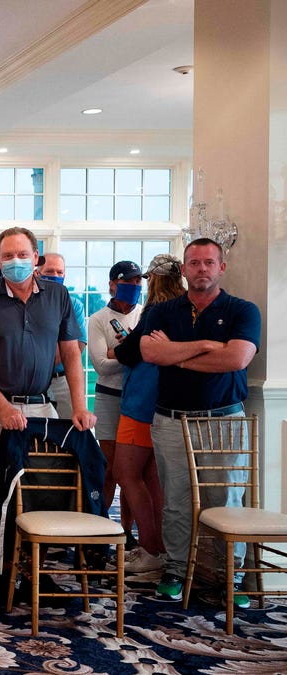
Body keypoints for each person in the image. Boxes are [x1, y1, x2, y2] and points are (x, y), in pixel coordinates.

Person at [137, 239, 260, 604]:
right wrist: (209, 346)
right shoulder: (162, 311)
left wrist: (174, 356)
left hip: (224, 419)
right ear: (185, 269)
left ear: (222, 267)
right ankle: (176, 569)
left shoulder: (243, 310)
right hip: (171, 420)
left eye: (209, 263)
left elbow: (237, 359)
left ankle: (229, 578)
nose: (201, 269)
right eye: (194, 263)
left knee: (226, 497)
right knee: (175, 499)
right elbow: (148, 351)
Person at [0, 228, 95, 504]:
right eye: (7, 255)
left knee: (42, 485)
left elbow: (71, 355)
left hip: (41, 406)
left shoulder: (58, 296)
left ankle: (33, 548)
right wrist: (3, 407)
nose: (15, 261)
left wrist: (80, 406)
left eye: (22, 254)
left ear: (36, 258)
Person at [112, 254, 182, 575]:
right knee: (154, 480)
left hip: (141, 402)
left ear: (152, 279)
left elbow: (129, 352)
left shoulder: (155, 312)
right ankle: (161, 548)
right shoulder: (185, 311)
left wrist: (121, 347)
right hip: (166, 403)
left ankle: (151, 548)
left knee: (126, 474)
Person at [87, 260, 144, 555]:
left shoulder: (146, 314)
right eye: (127, 283)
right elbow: (101, 366)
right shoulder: (98, 319)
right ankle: (100, 527)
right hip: (109, 398)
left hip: (138, 399)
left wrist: (119, 352)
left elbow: (150, 357)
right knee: (110, 468)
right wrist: (133, 353)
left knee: (132, 470)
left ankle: (127, 530)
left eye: (138, 283)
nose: (133, 288)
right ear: (112, 284)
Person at [34, 252, 88, 420]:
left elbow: (77, 346)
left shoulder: (74, 304)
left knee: (68, 433)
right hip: (31, 384)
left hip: (62, 381)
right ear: (37, 273)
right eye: (49, 272)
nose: (55, 276)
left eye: (60, 272)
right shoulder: (28, 302)